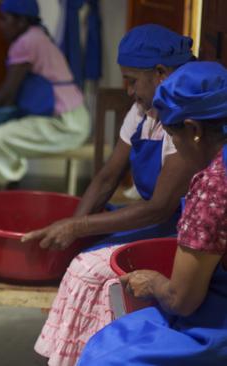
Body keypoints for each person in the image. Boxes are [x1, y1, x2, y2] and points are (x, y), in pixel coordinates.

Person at [24, 24, 198, 365]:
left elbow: (159, 209)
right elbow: (106, 177)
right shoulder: (141, 112)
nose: (129, 90)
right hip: (154, 216)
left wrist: (77, 228)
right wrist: (73, 229)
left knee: (90, 271)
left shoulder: (183, 120)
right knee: (81, 255)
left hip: (181, 227)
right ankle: (81, 357)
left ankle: (101, 356)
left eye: (133, 80)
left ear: (161, 74)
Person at [79, 61, 227, 365]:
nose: (175, 146)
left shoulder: (213, 187)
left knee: (104, 352)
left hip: (217, 327)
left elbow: (182, 301)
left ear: (194, 130)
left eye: (174, 137)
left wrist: (154, 283)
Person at [0, 0, 90, 187]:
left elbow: (8, 91)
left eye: (4, 19)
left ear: (21, 21)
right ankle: (11, 188)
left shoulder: (26, 43)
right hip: (75, 120)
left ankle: (9, 194)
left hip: (64, 126)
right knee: (7, 133)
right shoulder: (38, 35)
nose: (0, 25)